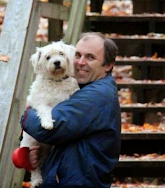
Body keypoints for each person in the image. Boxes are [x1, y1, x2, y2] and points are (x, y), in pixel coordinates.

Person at [21, 32, 121, 188]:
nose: (80, 62)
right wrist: (41, 152)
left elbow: (47, 129)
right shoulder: (82, 87)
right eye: (77, 55)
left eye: (90, 57)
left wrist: (27, 113)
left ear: (108, 65)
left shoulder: (97, 95)